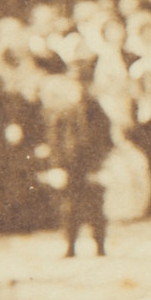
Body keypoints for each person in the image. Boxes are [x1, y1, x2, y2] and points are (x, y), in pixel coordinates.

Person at [41, 55, 114, 257]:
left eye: (85, 84)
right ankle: (70, 246)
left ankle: (99, 245)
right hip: (70, 164)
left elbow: (106, 140)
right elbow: (55, 142)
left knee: (95, 207)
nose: (80, 89)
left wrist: (99, 165)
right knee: (69, 207)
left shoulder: (97, 112)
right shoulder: (63, 113)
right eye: (76, 85)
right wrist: (57, 165)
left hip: (91, 164)